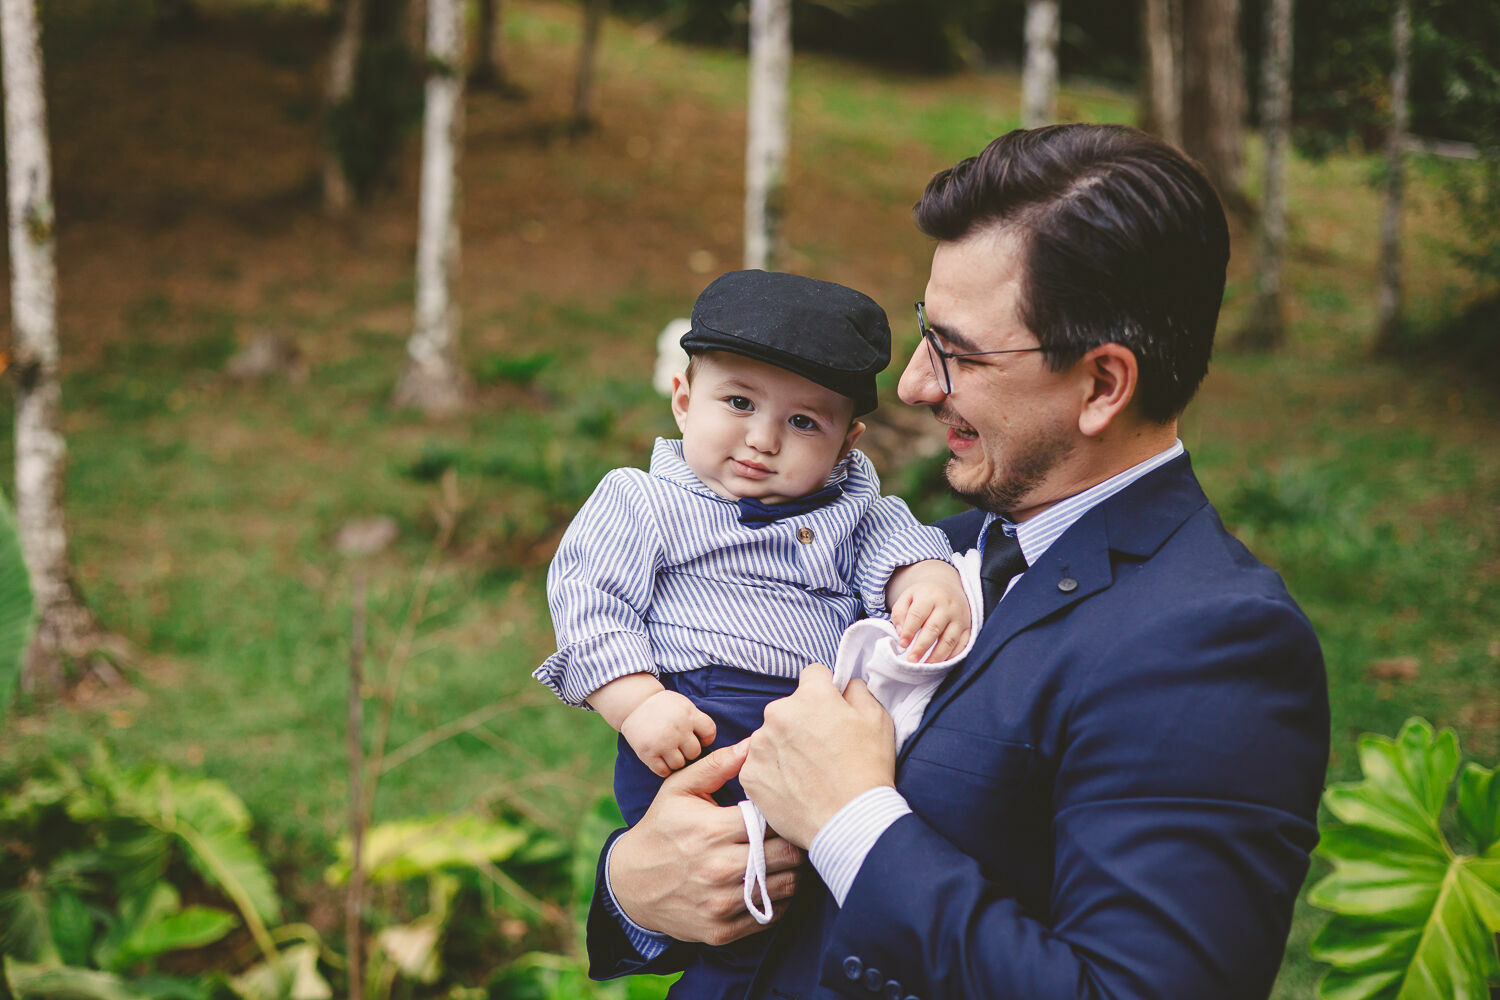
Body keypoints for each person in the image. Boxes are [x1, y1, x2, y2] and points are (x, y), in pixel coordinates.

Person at [584, 124, 1332, 1000]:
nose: (914, 385)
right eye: (923, 333)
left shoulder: (1215, 645)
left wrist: (851, 820)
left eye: (960, 352)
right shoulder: (929, 554)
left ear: (1102, 385)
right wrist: (637, 890)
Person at [534, 269, 973, 997]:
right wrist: (637, 701)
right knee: (732, 896)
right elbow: (587, 599)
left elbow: (905, 548)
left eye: (805, 423)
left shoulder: (857, 508)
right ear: (683, 399)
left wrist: (926, 584)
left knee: (797, 901)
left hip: (814, 734)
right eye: (737, 403)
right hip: (697, 726)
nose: (763, 440)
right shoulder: (643, 500)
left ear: (846, 443)